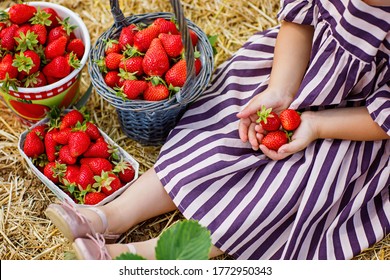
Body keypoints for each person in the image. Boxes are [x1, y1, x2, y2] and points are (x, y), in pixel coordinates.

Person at [45, 0, 390, 260]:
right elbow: (299, 22)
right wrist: (279, 91)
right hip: (296, 70)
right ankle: (108, 215)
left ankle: (136, 257)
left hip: (355, 123)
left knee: (284, 191)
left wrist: (316, 125)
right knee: (216, 131)